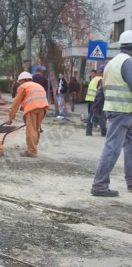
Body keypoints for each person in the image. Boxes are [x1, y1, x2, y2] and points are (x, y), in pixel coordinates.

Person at [90, 30, 132, 197]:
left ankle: (130, 181)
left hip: (118, 110)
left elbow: (100, 91)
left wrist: (96, 113)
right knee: (112, 147)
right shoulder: (128, 62)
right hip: (122, 111)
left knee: (129, 145)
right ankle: (99, 185)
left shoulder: (111, 63)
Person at [5, 72, 49, 157]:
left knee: (31, 129)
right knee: (36, 128)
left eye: (20, 81)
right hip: (43, 108)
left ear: (23, 80)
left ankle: (31, 151)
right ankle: (33, 147)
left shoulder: (23, 86)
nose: (19, 83)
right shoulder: (38, 85)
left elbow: (15, 104)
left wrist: (11, 118)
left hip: (32, 108)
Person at [86, 66, 107, 136]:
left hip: (90, 99)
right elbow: (101, 92)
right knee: (102, 116)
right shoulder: (101, 80)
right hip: (97, 100)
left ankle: (88, 131)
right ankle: (103, 132)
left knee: (91, 115)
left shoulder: (95, 79)